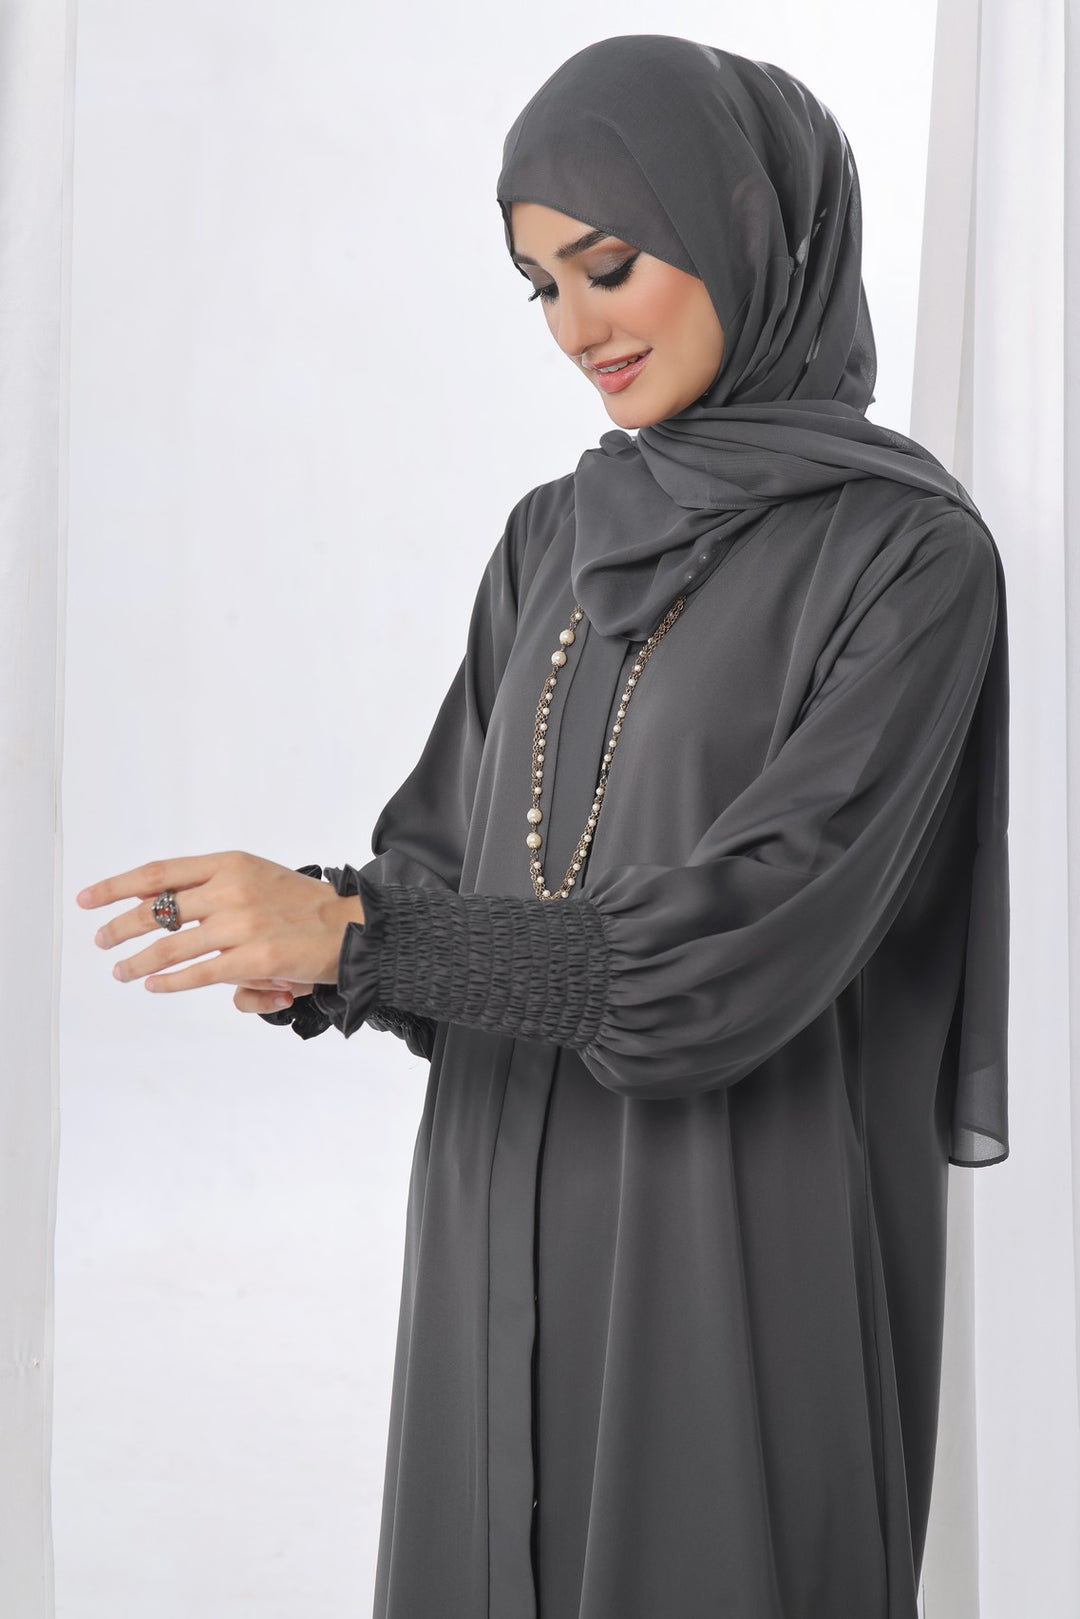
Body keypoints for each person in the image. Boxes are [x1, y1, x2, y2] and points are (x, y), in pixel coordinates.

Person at [77, 34, 1010, 1619]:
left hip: (730, 1227)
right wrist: (321, 944)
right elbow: (448, 867)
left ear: (748, 226)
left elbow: (752, 942)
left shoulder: (910, 560)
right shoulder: (553, 537)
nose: (578, 329)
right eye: (541, 289)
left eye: (610, 266)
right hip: (496, 1189)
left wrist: (373, 936)